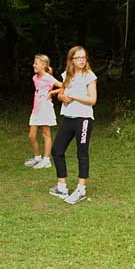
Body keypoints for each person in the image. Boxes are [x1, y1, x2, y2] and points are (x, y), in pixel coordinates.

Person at [48, 46, 97, 204]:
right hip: (68, 118)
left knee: (82, 153)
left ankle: (81, 189)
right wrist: (62, 97)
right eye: (78, 58)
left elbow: (92, 100)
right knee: (57, 150)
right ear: (72, 60)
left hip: (83, 119)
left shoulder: (89, 76)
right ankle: (62, 186)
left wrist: (74, 96)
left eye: (84, 57)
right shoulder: (67, 75)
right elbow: (62, 93)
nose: (82, 60)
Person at [24, 54, 62, 169]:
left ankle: (46, 160)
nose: (34, 65)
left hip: (45, 108)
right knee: (31, 135)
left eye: (36, 63)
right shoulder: (35, 78)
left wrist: (52, 93)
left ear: (44, 65)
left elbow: (64, 86)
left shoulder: (48, 78)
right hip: (36, 109)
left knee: (46, 133)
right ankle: (37, 158)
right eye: (34, 63)